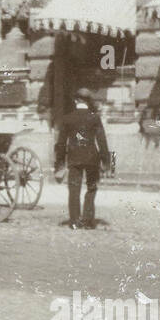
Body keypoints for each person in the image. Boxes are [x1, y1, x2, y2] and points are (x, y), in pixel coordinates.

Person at [54, 87, 111, 229]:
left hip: (74, 158)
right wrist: (107, 161)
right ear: (89, 101)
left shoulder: (67, 118)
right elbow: (102, 141)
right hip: (92, 158)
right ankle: (88, 221)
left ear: (75, 100)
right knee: (91, 188)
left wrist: (59, 163)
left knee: (74, 189)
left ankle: (74, 222)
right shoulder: (94, 118)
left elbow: (61, 144)